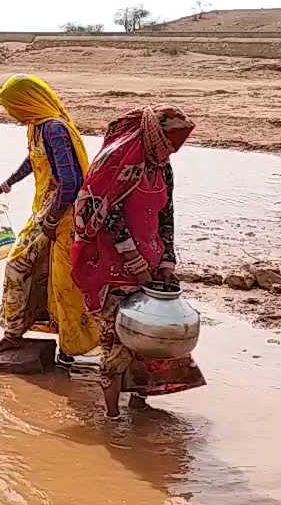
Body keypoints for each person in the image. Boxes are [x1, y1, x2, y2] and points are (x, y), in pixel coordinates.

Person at [71, 106, 205, 417]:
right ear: (156, 135)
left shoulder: (162, 166)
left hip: (151, 259)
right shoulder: (116, 162)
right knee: (116, 342)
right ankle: (111, 417)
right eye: (170, 142)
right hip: (110, 264)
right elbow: (103, 216)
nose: (172, 150)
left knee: (154, 337)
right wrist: (135, 265)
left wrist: (167, 263)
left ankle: (139, 400)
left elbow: (166, 215)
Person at [0, 74, 99, 359]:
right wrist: (7, 184)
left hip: (62, 213)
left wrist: (50, 221)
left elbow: (70, 182)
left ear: (28, 101)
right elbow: (34, 159)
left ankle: (16, 335)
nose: (11, 113)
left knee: (18, 267)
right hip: (47, 209)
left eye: (13, 106)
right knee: (48, 274)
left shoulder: (55, 130)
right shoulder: (37, 127)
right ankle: (59, 344)